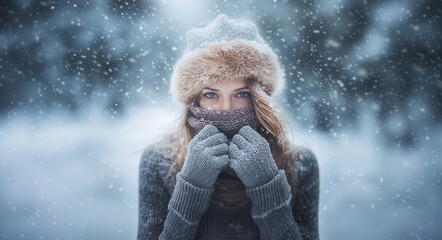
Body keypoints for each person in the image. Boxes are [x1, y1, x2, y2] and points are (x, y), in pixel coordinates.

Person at [137, 14, 319, 240]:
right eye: (211, 94)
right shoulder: (159, 162)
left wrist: (266, 185)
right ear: (194, 100)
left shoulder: (299, 164)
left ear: (261, 97)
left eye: (241, 94)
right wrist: (192, 186)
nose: (226, 109)